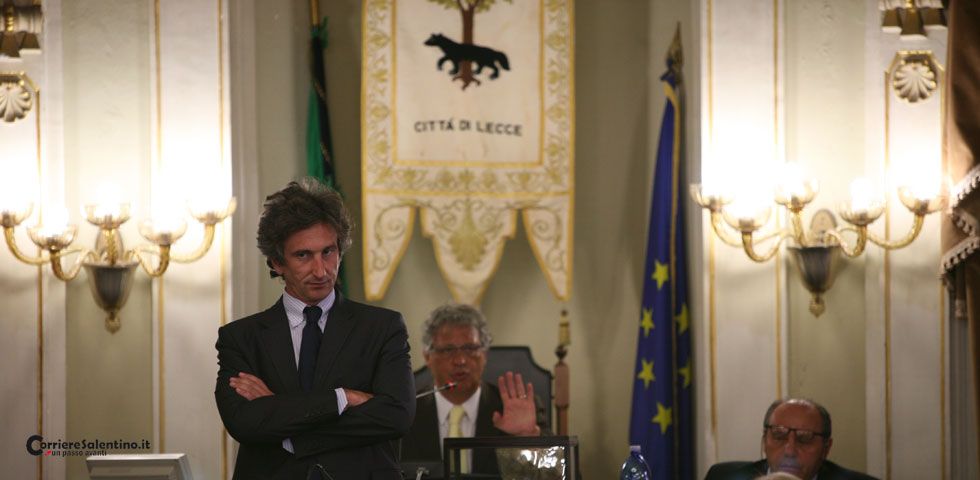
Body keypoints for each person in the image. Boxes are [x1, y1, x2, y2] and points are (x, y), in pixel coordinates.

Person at [214, 179, 415, 479]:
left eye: (328, 252)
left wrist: (278, 411)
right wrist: (342, 398)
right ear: (277, 262)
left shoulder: (382, 327)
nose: (321, 271)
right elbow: (244, 423)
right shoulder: (241, 338)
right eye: (303, 255)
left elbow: (396, 417)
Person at [399, 303, 549, 474]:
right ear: (428, 357)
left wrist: (528, 438)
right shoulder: (406, 413)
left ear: (484, 354)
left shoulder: (514, 409)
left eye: (470, 348)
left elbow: (559, 475)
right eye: (448, 350)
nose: (460, 360)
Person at [704, 398, 877, 480]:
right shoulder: (723, 477)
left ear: (826, 448)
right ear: (765, 439)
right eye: (779, 435)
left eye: (805, 439)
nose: (790, 450)